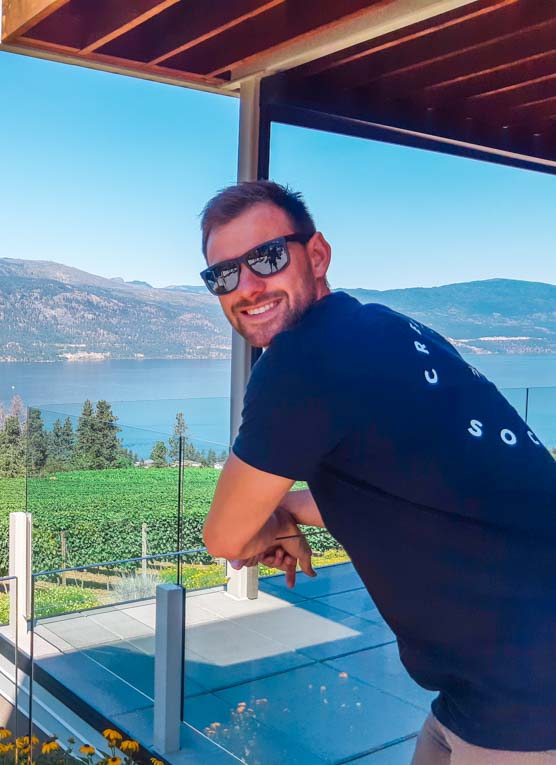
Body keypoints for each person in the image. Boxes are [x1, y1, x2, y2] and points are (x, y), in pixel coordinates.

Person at [198, 180, 556, 764]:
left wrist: (264, 523)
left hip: (532, 694)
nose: (247, 286)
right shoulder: (383, 328)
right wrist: (285, 510)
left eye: (265, 258)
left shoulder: (301, 361)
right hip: (486, 686)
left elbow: (225, 536)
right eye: (224, 275)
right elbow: (402, 488)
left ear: (317, 255)